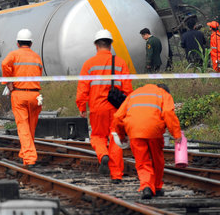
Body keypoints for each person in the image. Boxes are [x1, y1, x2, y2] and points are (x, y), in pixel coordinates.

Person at [76, 29, 133, 183]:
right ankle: (116, 176)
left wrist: (82, 107)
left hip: (97, 108)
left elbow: (83, 88)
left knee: (97, 136)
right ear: (110, 45)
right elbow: (127, 89)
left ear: (96, 45)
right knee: (116, 139)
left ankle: (103, 155)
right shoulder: (120, 63)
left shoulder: (89, 64)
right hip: (116, 108)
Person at [112, 83, 182, 199]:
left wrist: (121, 135)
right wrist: (176, 134)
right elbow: (168, 113)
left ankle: (146, 187)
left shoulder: (134, 94)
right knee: (157, 159)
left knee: (142, 162)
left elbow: (118, 117)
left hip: (134, 131)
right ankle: (157, 187)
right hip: (154, 130)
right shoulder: (163, 94)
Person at [1, 28, 44, 167]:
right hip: (35, 95)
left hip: (19, 94)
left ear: (18, 43)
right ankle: (24, 153)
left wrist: (9, 82)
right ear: (31, 43)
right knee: (31, 127)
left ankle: (30, 158)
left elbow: (4, 64)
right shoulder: (36, 57)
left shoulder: (14, 55)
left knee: (23, 127)